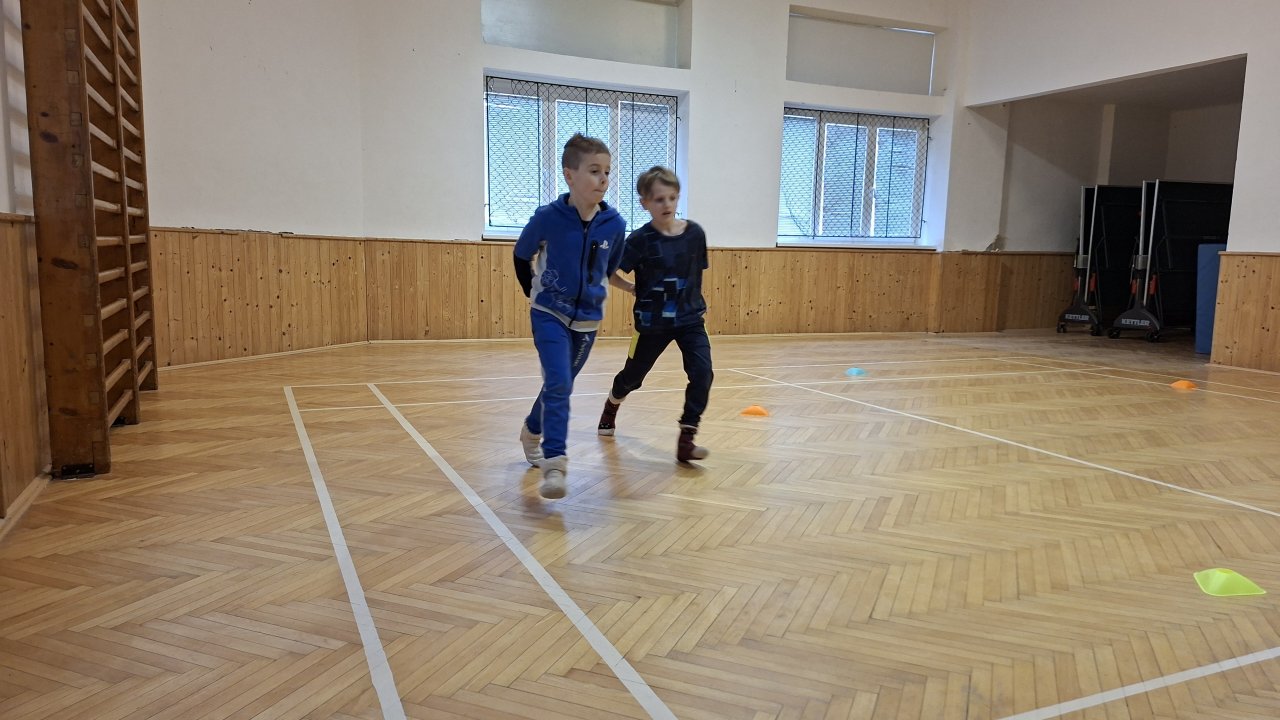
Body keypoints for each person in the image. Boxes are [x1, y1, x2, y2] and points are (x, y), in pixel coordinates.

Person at [513, 133, 626, 499]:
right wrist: (533, 292)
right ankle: (555, 464)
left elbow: (609, 269)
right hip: (549, 313)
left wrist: (631, 289)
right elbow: (521, 254)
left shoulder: (615, 224)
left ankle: (532, 428)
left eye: (607, 171)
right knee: (560, 383)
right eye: (594, 171)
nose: (603, 179)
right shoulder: (548, 218)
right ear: (569, 175)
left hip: (588, 321)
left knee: (558, 384)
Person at [597, 166, 713, 463]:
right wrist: (630, 287)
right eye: (659, 199)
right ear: (645, 203)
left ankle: (687, 438)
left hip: (690, 320)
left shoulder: (695, 234)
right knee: (632, 378)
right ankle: (612, 404)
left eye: (672, 198)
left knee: (702, 374)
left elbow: (695, 273)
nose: (667, 204)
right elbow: (609, 271)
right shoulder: (639, 240)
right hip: (651, 324)